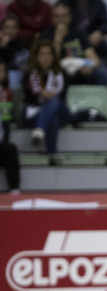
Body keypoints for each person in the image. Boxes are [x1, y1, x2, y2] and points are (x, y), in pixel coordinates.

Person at [40, 2, 107, 86]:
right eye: (57, 16)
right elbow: (48, 63)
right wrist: (58, 38)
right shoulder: (46, 35)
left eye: (64, 16)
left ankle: (97, 98)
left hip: (78, 69)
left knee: (103, 73)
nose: (61, 20)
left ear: (70, 17)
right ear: (52, 18)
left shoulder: (79, 33)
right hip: (58, 71)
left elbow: (94, 59)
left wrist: (88, 66)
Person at [23, 40, 71, 154]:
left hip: (60, 112)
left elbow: (62, 99)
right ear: (36, 57)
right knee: (52, 120)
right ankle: (52, 154)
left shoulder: (61, 73)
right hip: (34, 113)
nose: (46, 57)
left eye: (49, 54)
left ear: (54, 56)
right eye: (42, 54)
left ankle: (39, 130)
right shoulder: (29, 74)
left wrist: (49, 97)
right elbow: (29, 99)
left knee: (54, 100)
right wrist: (41, 96)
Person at [64, 0, 107, 81]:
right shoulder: (66, 4)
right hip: (73, 39)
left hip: (94, 38)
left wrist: (99, 32)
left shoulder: (98, 3)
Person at [0, 61, 20, 193]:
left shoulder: (6, 93)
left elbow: (6, 122)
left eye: (2, 71)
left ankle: (15, 191)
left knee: (10, 149)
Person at [0, 14, 30, 89]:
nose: (10, 31)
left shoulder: (24, 44)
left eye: (13, 27)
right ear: (2, 29)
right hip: (7, 75)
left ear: (18, 29)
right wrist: (2, 47)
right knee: (13, 75)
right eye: (7, 27)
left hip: (25, 74)